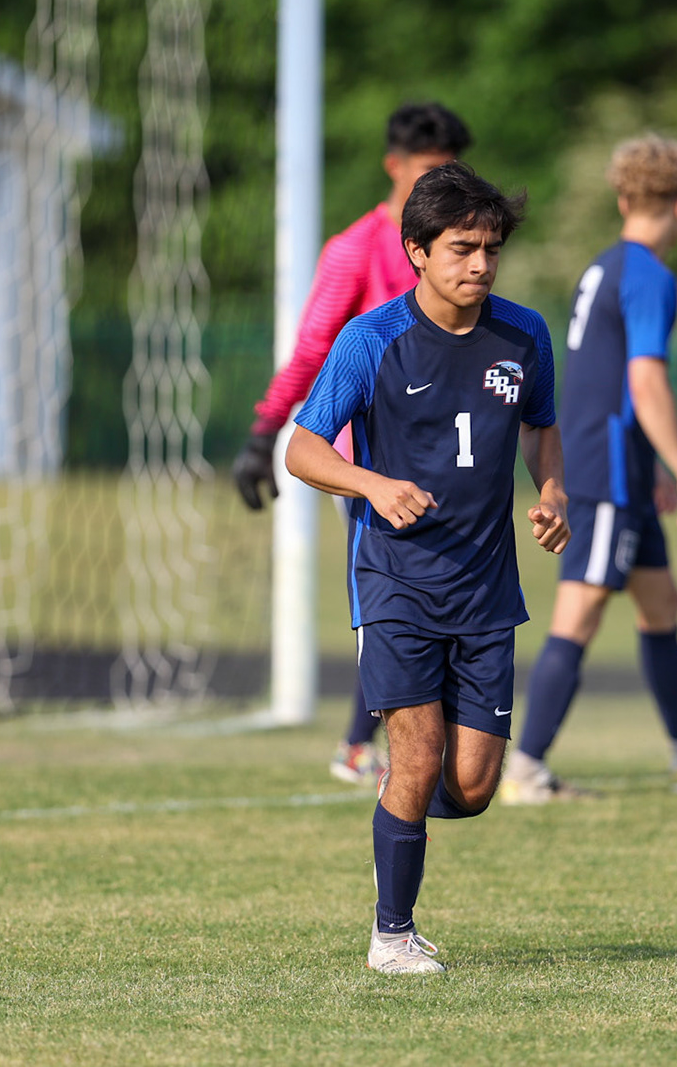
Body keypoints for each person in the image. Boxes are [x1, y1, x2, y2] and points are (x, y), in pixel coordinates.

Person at [285, 161, 568, 975]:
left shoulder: (524, 335)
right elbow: (304, 447)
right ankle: (391, 936)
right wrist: (373, 482)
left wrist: (551, 490)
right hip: (396, 581)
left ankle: (397, 811)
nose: (479, 264)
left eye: (490, 249)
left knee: (471, 786)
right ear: (416, 250)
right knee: (415, 759)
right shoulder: (371, 339)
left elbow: (541, 428)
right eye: (460, 248)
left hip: (487, 590)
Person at [500, 135, 677, 805]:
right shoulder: (649, 275)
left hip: (622, 468)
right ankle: (526, 769)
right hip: (604, 472)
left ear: (625, 199)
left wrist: (652, 471)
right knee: (581, 609)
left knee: (661, 604)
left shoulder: (604, 265)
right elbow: (644, 384)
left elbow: (601, 379)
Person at [231, 103, 473, 787]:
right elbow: (313, 347)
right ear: (395, 167)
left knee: (452, 598)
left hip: (449, 457)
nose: (441, 184)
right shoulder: (356, 249)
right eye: (430, 171)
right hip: (368, 459)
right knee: (399, 598)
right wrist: (264, 431)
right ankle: (364, 747)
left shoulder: (460, 251)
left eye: (452, 171)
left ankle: (372, 744)